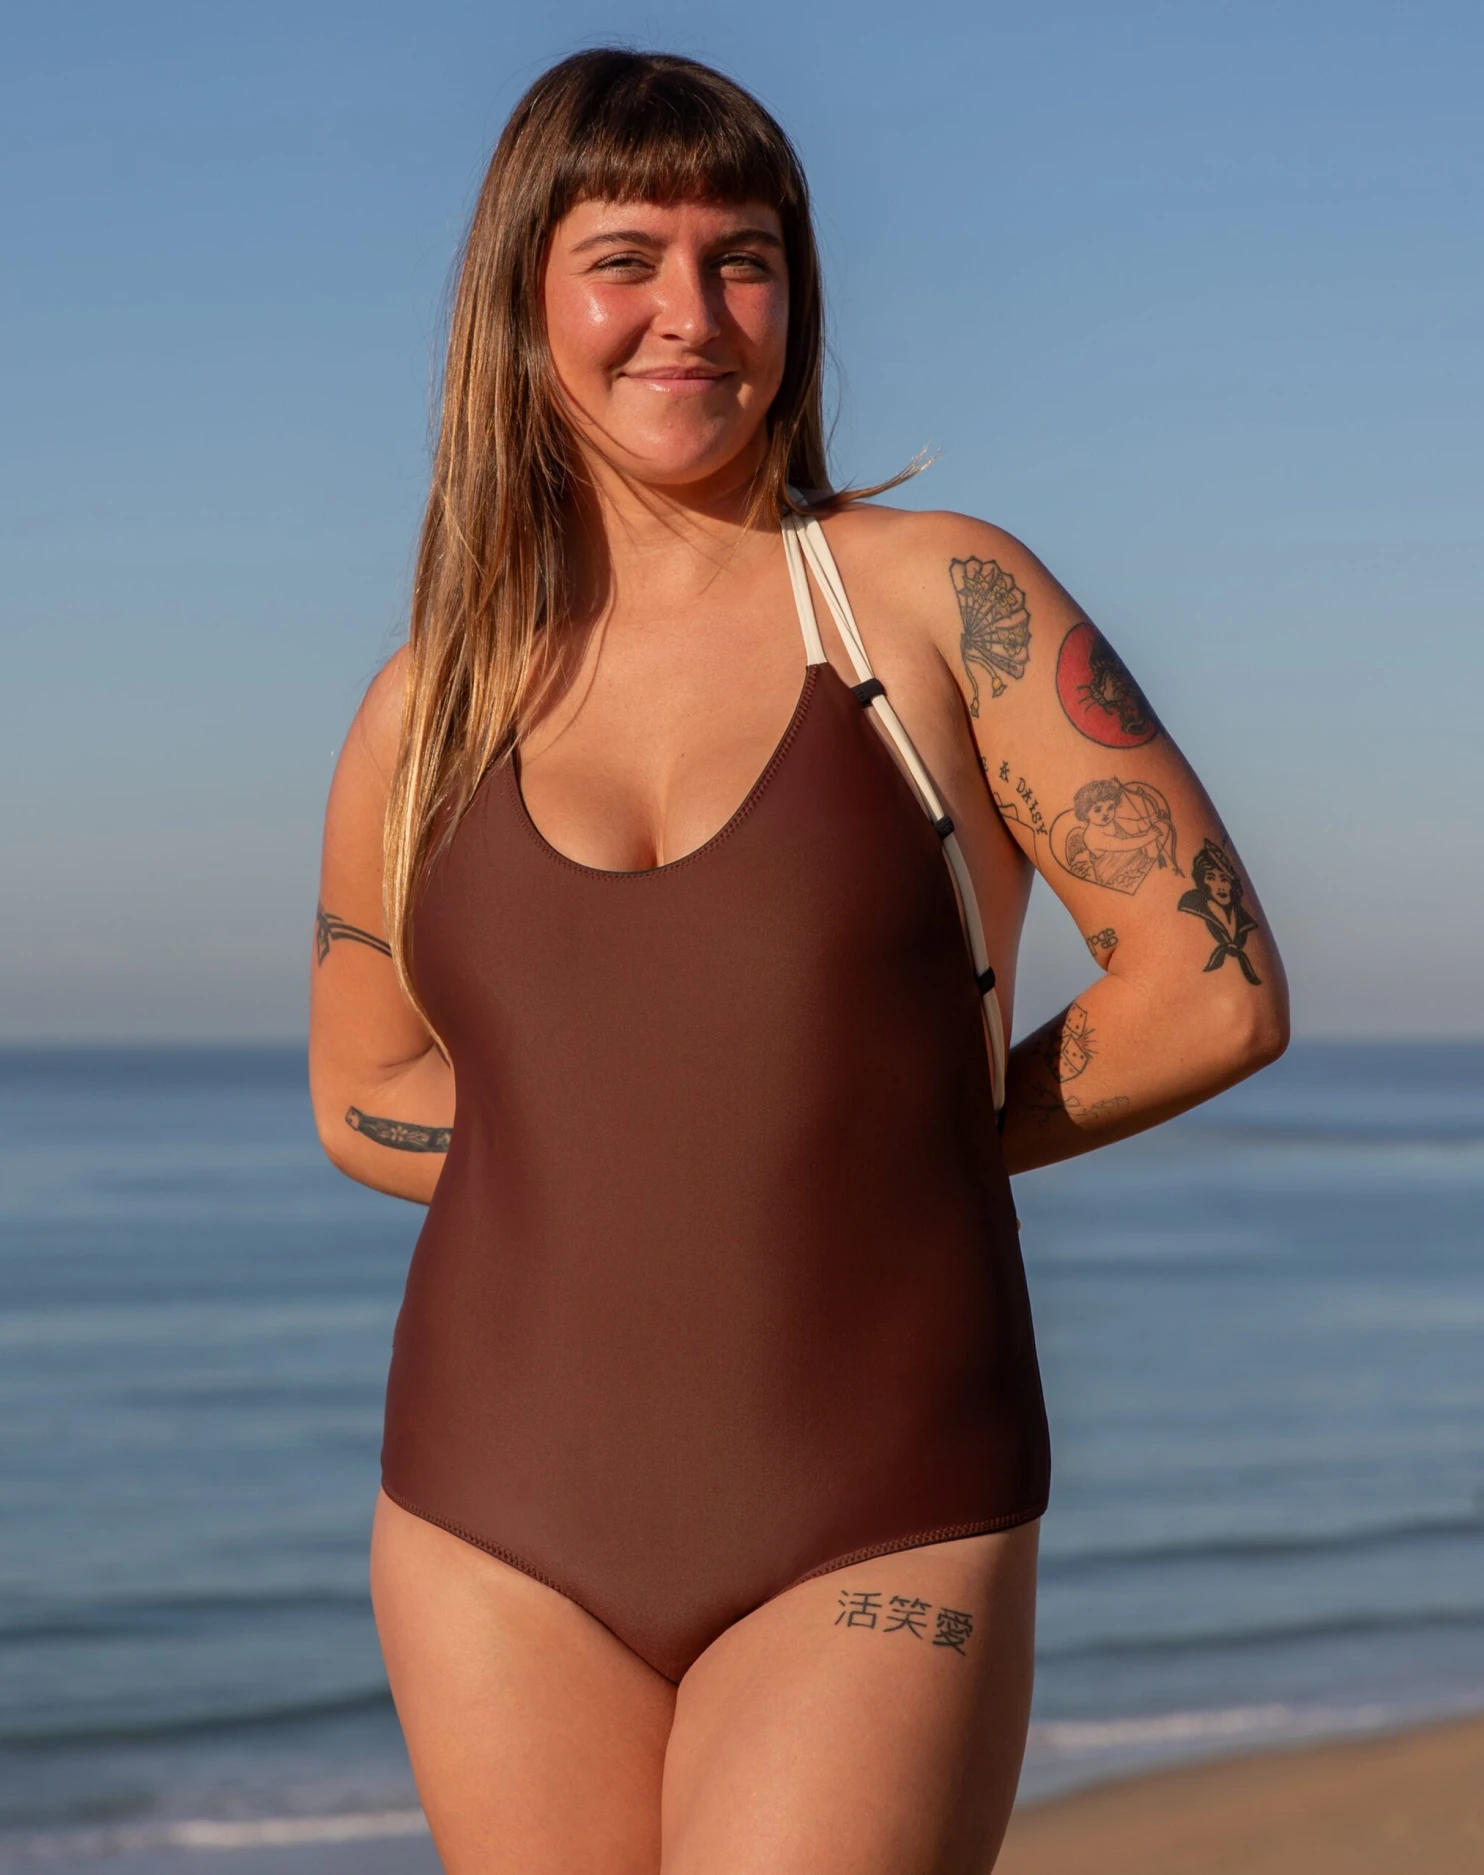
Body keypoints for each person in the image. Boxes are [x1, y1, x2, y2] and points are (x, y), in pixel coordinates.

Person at [307, 47, 1289, 1875]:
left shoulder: (941, 602)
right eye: (625, 259)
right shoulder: (425, 706)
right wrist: (609, 1164)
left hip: (875, 1499)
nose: (690, 312)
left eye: (741, 258)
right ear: (522, 302)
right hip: (487, 1513)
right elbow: (365, 1086)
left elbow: (1208, 986)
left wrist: (901, 1149)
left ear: (797, 297)